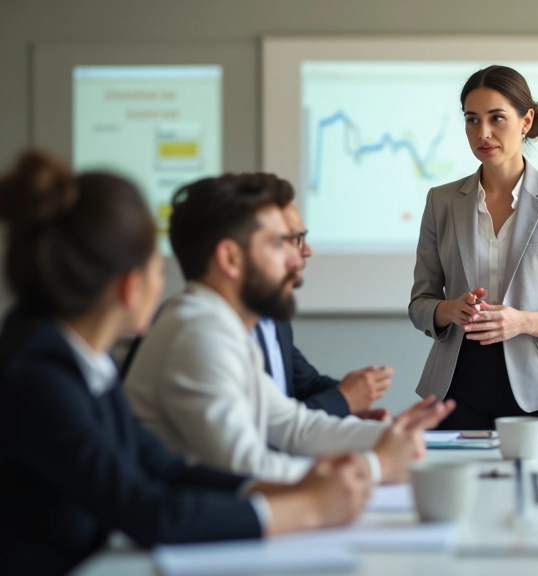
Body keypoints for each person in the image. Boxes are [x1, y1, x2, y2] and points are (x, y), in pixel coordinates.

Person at [0, 152, 378, 575]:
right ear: (130, 285)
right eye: (156, 269)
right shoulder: (37, 371)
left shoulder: (77, 357)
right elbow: (146, 510)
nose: (164, 284)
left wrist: (290, 486)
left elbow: (161, 467)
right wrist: (307, 509)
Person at [126, 173, 453, 483]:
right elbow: (244, 466)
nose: (298, 261)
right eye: (280, 244)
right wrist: (375, 465)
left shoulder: (221, 325)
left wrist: (392, 435)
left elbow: (294, 426)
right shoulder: (196, 333)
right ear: (230, 258)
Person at [409, 65, 538, 430]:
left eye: (497, 118)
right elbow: (420, 305)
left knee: (535, 488)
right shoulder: (441, 201)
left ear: (526, 121)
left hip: (537, 391)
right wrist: (450, 309)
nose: (483, 133)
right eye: (471, 120)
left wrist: (521, 321)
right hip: (455, 389)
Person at [252, 199, 393, 419]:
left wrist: (352, 404)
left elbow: (305, 386)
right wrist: (344, 401)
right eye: (293, 239)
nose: (307, 252)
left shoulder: (273, 318)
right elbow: (268, 425)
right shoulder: (212, 331)